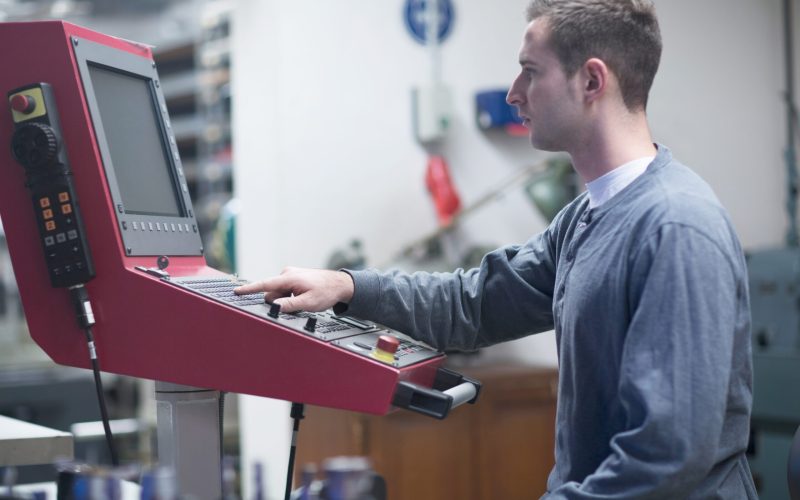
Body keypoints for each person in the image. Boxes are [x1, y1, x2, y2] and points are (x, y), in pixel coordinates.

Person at [236, 0, 757, 497]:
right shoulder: (586, 218)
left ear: (592, 81)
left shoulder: (676, 229)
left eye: (531, 71)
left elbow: (665, 456)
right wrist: (347, 286)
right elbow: (475, 303)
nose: (514, 92)